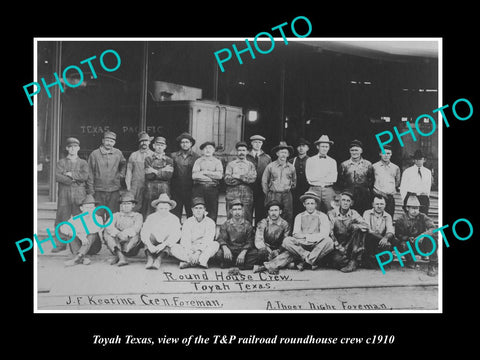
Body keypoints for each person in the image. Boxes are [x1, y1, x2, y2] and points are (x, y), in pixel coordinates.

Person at [276, 191, 336, 271]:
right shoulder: (299, 216)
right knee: (287, 241)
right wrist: (307, 238)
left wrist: (306, 236)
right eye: (308, 204)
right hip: (302, 245)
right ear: (304, 204)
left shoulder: (322, 216)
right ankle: (308, 258)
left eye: (312, 203)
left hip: (317, 245)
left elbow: (324, 234)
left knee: (329, 242)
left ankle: (305, 261)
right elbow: (296, 234)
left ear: (316, 204)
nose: (310, 206)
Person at [52, 137, 89, 253]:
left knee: (79, 217)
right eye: (70, 147)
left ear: (78, 148)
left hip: (79, 193)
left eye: (75, 147)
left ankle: (79, 242)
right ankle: (61, 243)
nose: (73, 149)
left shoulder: (83, 162)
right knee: (62, 216)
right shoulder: (61, 162)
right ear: (67, 148)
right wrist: (73, 180)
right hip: (64, 192)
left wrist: (71, 174)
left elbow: (85, 176)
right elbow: (58, 176)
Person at [394, 194, 438, 276]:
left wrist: (423, 235)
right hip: (409, 245)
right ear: (407, 208)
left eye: (417, 208)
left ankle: (433, 264)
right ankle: (410, 260)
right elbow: (398, 235)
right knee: (400, 244)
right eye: (413, 208)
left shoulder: (423, 217)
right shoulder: (400, 220)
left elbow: (433, 229)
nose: (415, 211)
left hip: (421, 244)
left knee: (432, 238)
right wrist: (408, 238)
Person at [169, 197, 219, 269]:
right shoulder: (188, 222)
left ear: (204, 209)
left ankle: (189, 262)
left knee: (215, 244)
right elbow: (185, 240)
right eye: (196, 208)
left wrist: (198, 252)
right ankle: (200, 261)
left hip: (203, 249)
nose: (198, 211)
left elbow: (208, 239)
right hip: (190, 248)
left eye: (200, 208)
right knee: (174, 247)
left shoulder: (210, 222)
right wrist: (191, 253)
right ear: (192, 210)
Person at [87, 131, 126, 221]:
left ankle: (109, 234)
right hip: (98, 190)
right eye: (107, 140)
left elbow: (123, 164)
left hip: (114, 190)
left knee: (112, 215)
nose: (109, 143)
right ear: (103, 141)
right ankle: (98, 234)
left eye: (112, 141)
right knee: (98, 215)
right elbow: (90, 173)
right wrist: (91, 190)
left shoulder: (118, 153)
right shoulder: (94, 154)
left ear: (114, 143)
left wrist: (121, 175)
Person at [328, 191, 369, 273]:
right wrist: (339, 247)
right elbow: (330, 232)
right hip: (337, 244)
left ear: (351, 203)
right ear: (339, 201)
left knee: (356, 228)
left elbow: (366, 226)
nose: (345, 203)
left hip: (350, 244)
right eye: (343, 200)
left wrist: (353, 225)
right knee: (337, 261)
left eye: (348, 201)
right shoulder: (332, 213)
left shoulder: (354, 213)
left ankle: (353, 260)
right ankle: (352, 260)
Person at [57, 195, 104, 267]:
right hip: (78, 245)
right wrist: (77, 234)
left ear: (94, 208)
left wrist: (80, 234)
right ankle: (81, 257)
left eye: (91, 208)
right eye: (87, 207)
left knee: (92, 235)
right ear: (81, 208)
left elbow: (94, 229)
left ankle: (76, 258)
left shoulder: (98, 219)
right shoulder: (76, 219)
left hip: (93, 247)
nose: (89, 210)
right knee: (71, 234)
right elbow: (63, 228)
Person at [214, 199, 258, 270]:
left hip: (243, 250)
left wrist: (243, 253)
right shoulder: (225, 225)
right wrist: (225, 249)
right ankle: (240, 264)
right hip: (230, 250)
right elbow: (221, 239)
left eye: (239, 209)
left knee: (256, 254)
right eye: (235, 210)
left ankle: (230, 264)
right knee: (219, 254)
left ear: (243, 211)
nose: (237, 212)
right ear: (231, 211)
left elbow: (250, 241)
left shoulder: (248, 225)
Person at [140, 193, 181, 270]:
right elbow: (144, 232)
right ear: (157, 208)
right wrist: (149, 245)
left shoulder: (174, 219)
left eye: (165, 209)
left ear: (169, 208)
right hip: (153, 240)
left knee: (170, 239)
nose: (163, 211)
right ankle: (150, 259)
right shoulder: (151, 217)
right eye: (161, 208)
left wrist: (163, 245)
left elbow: (176, 234)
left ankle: (159, 259)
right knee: (148, 236)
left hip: (165, 242)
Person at [103, 191, 144, 267]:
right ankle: (121, 256)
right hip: (116, 245)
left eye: (128, 204)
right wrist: (118, 233)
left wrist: (124, 234)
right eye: (124, 204)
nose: (126, 206)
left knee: (137, 234)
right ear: (121, 205)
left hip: (130, 247)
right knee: (106, 232)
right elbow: (109, 226)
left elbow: (136, 228)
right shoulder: (116, 215)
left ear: (133, 205)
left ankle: (120, 256)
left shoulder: (137, 216)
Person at [262, 141, 297, 226]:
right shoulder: (270, 166)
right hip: (274, 194)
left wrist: (288, 188)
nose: (283, 155)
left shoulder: (291, 167)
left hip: (286, 195)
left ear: (288, 154)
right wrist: (268, 194)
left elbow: (294, 182)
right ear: (277, 153)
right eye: (281, 152)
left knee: (287, 214)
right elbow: (264, 181)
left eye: (285, 152)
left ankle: (286, 235)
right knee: (273, 214)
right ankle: (271, 234)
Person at [252, 200, 292, 274]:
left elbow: (285, 240)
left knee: (290, 253)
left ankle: (266, 266)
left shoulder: (285, 224)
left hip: (279, 250)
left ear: (280, 211)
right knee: (259, 253)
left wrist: (278, 251)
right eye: (271, 210)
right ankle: (280, 264)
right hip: (266, 249)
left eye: (276, 210)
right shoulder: (263, 222)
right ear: (268, 212)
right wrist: (269, 251)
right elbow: (259, 240)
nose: (273, 213)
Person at [339, 140, 374, 215]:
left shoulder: (368, 164)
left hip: (364, 195)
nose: (354, 152)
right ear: (349, 151)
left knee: (363, 214)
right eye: (352, 150)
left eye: (356, 150)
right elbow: (340, 180)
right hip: (349, 194)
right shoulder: (344, 165)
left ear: (361, 151)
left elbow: (371, 180)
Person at [170, 132, 200, 220]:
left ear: (191, 144)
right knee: (175, 214)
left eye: (187, 142)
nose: (185, 144)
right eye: (182, 142)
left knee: (191, 214)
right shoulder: (173, 156)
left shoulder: (196, 157)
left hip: (191, 189)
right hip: (176, 189)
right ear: (180, 144)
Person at [224, 141, 257, 222]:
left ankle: (247, 234)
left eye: (243, 150)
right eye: (239, 150)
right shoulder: (231, 164)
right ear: (236, 152)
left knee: (247, 216)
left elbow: (252, 179)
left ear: (247, 152)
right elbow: (227, 179)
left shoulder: (250, 165)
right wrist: (245, 179)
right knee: (231, 215)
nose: (241, 152)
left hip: (247, 193)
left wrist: (237, 176)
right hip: (232, 192)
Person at [192, 141, 224, 223]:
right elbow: (195, 176)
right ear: (202, 151)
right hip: (199, 188)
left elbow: (219, 176)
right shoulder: (198, 161)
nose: (207, 150)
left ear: (213, 150)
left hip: (212, 189)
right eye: (205, 148)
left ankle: (211, 234)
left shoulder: (217, 162)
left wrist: (204, 172)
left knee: (212, 212)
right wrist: (211, 177)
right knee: (198, 210)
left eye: (210, 148)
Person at [305, 135, 338, 213]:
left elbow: (333, 178)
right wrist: (325, 175)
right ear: (317, 147)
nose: (324, 148)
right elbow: (310, 177)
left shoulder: (332, 161)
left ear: (329, 148)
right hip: (314, 189)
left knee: (332, 211)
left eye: (326, 146)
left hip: (328, 189)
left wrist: (318, 175)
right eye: (322, 146)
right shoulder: (310, 160)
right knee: (312, 211)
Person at [362, 194, 395, 269]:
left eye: (381, 204)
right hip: (369, 241)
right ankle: (372, 258)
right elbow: (368, 230)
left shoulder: (388, 216)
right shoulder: (367, 213)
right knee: (369, 236)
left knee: (393, 239)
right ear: (373, 204)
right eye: (377, 204)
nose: (379, 206)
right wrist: (383, 239)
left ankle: (380, 257)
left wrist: (386, 238)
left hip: (381, 242)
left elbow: (390, 230)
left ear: (385, 205)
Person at [143, 136, 174, 216]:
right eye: (157, 145)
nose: (159, 147)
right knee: (149, 210)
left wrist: (154, 171)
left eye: (162, 145)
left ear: (165, 147)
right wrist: (163, 170)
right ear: (153, 146)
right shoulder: (148, 159)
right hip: (150, 187)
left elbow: (168, 176)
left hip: (164, 187)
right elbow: (149, 175)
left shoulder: (169, 160)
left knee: (163, 208)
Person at [125, 131, 154, 214]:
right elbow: (129, 171)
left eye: (146, 141)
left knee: (148, 206)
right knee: (135, 205)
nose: (144, 143)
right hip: (135, 184)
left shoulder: (153, 155)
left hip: (148, 184)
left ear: (149, 142)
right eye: (142, 141)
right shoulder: (133, 155)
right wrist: (128, 185)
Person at [247, 135, 272, 224]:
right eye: (255, 142)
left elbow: (270, 174)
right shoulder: (246, 156)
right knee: (247, 212)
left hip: (261, 189)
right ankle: (248, 234)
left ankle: (259, 233)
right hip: (248, 188)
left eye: (260, 143)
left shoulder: (267, 158)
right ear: (251, 143)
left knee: (261, 213)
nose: (257, 145)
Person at [400, 149, 432, 215]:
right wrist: (405, 200)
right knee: (411, 218)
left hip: (423, 198)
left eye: (420, 159)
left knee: (423, 219)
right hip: (411, 196)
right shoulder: (407, 171)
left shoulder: (428, 172)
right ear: (413, 160)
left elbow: (428, 186)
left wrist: (426, 198)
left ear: (424, 160)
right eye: (416, 159)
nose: (418, 161)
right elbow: (403, 187)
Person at [372, 144, 401, 218]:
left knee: (389, 218)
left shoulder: (395, 168)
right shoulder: (374, 167)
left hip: (389, 198)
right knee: (376, 218)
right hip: (377, 197)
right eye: (384, 153)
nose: (386, 155)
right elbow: (371, 182)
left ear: (391, 154)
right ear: (380, 154)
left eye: (388, 153)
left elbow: (397, 182)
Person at [290, 138, 311, 218]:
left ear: (307, 148)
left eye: (303, 146)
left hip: (308, 189)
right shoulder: (292, 161)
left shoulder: (311, 160)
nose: (301, 148)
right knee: (294, 209)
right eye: (299, 146)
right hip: (295, 191)